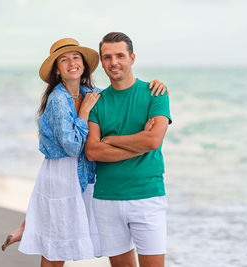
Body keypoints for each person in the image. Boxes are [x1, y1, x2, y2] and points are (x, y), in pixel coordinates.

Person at [1, 37, 168, 267]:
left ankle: (27, 226)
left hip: (85, 176)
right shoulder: (59, 99)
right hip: (62, 176)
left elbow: (118, 94)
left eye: (76, 57)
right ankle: (27, 227)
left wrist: (155, 84)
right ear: (57, 70)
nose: (72, 63)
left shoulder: (90, 92)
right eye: (64, 59)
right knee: (56, 245)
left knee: (65, 234)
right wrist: (84, 115)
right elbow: (74, 146)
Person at [85, 32, 172, 267]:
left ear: (132, 58)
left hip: (147, 196)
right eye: (107, 57)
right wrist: (139, 141)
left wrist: (110, 140)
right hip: (106, 199)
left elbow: (153, 140)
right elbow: (92, 151)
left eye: (120, 56)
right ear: (102, 62)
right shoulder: (96, 101)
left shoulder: (155, 93)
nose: (114, 62)